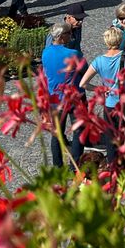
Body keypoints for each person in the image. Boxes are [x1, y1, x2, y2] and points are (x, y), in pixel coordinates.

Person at [78, 26, 125, 166]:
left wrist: (99, 88)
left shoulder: (99, 61)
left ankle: (114, 168)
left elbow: (83, 84)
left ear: (106, 42)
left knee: (112, 139)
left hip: (111, 104)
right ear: (120, 40)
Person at [41, 22, 84, 168]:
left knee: (57, 133)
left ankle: (57, 166)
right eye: (68, 33)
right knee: (79, 131)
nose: (71, 36)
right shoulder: (73, 54)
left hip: (54, 98)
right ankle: (75, 165)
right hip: (73, 97)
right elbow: (86, 70)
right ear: (60, 36)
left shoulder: (45, 52)